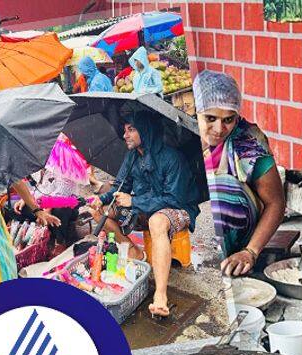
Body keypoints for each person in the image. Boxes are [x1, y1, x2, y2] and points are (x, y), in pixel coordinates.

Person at [89, 111, 200, 318]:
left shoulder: (171, 158)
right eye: (124, 130)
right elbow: (119, 186)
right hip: (144, 207)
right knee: (100, 213)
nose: (125, 135)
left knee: (157, 221)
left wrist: (134, 201)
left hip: (179, 208)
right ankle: (135, 251)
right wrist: (101, 200)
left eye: (131, 129)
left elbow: (174, 199)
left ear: (146, 131)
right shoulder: (132, 157)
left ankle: (160, 295)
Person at [192, 70, 285, 278]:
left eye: (228, 119)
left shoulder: (249, 142)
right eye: (210, 118)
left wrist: (250, 252)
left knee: (219, 190)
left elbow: (276, 203)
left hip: (240, 231)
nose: (219, 128)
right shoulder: (185, 137)